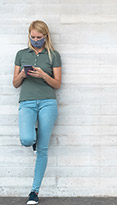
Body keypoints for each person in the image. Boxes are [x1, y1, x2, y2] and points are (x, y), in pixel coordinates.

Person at [12, 20, 62, 205]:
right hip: (27, 101)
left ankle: (34, 192)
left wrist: (43, 75)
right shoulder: (21, 54)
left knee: (42, 149)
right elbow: (15, 83)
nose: (35, 40)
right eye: (32, 37)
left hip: (48, 102)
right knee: (27, 140)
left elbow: (57, 84)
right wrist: (23, 75)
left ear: (45, 37)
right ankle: (33, 135)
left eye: (39, 37)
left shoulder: (54, 55)